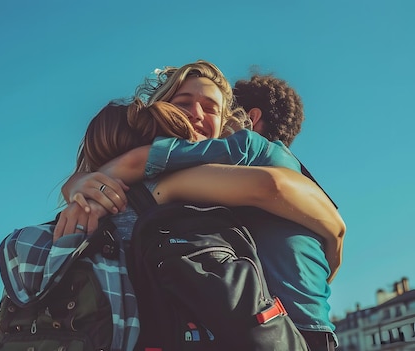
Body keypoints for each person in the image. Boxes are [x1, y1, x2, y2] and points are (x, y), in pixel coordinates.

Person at [59, 60, 344, 350]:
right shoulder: (219, 176)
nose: (196, 114)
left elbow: (271, 187)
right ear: (164, 111)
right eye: (184, 102)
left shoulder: (241, 151)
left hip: (282, 325)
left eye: (210, 108)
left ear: (226, 122)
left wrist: (79, 183)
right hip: (281, 323)